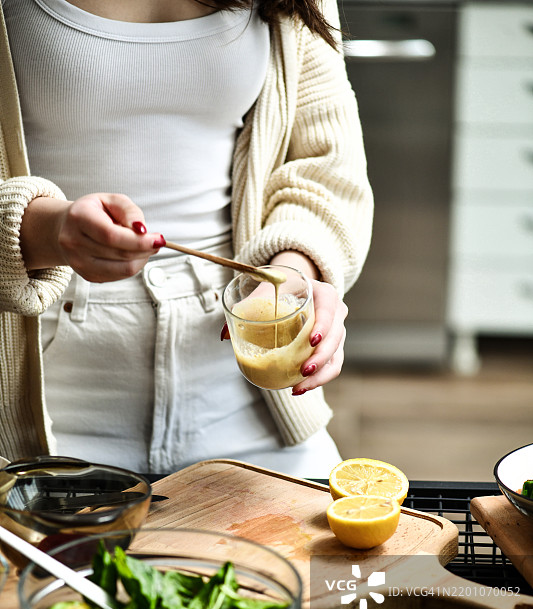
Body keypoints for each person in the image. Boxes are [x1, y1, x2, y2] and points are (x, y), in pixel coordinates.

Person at [0, 0, 373, 479]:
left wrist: (290, 279)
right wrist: (44, 231)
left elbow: (327, 167)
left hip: (245, 395)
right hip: (35, 410)